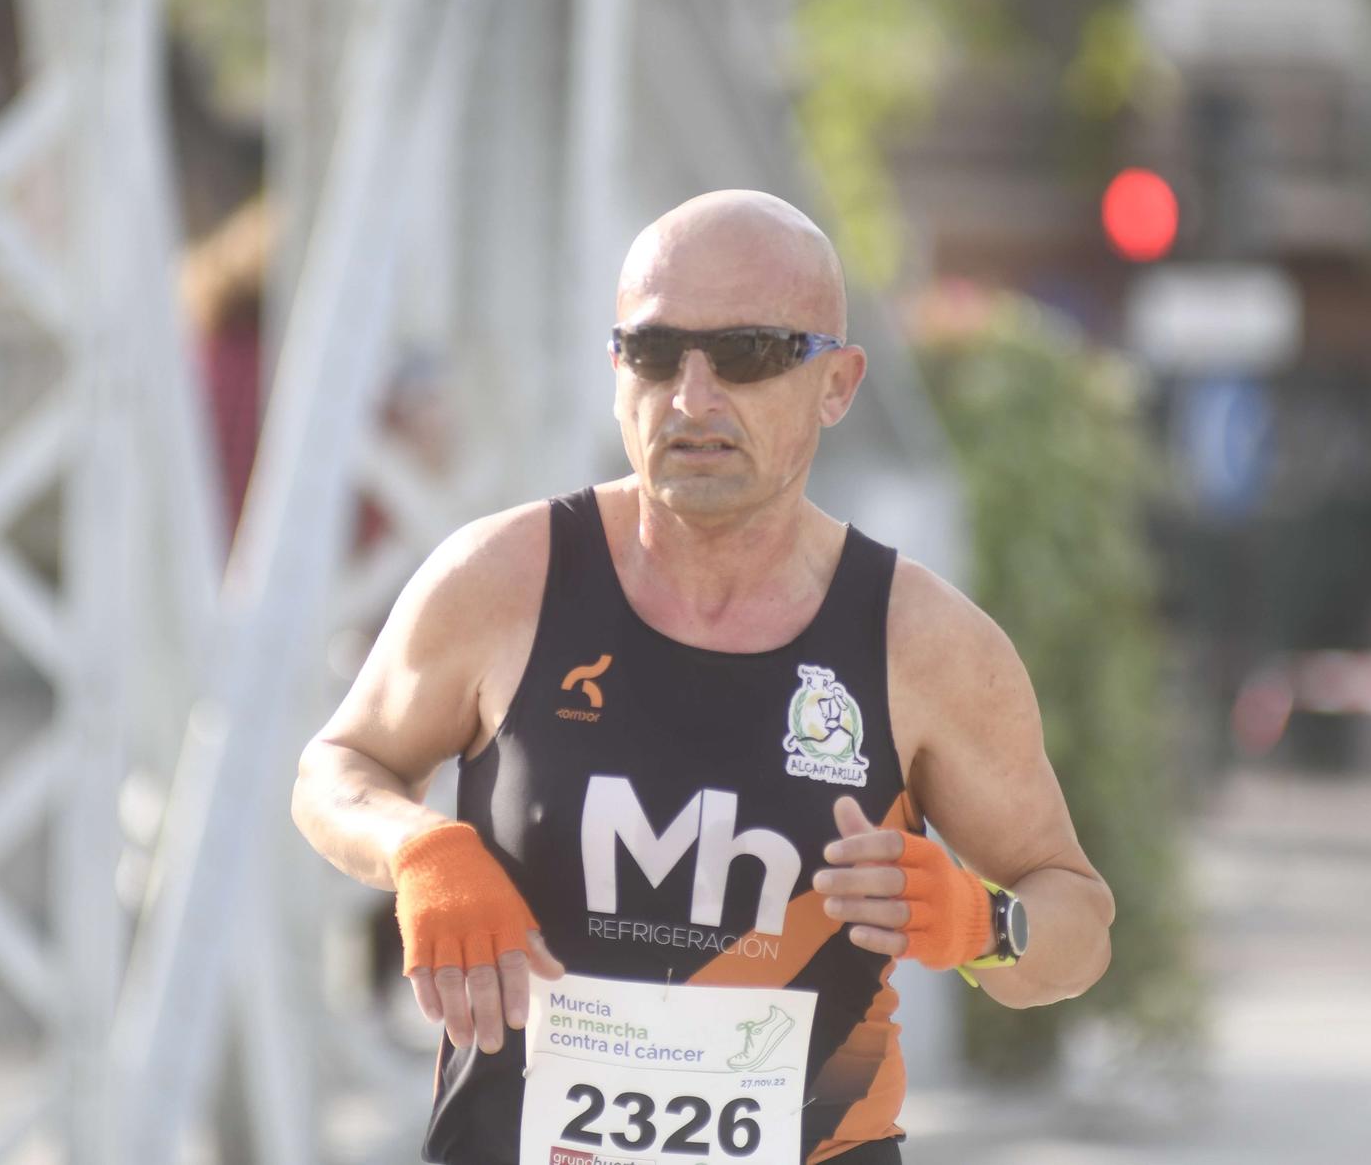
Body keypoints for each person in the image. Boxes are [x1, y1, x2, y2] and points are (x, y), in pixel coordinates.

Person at [291, 190, 1115, 1164]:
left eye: (748, 354)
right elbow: (336, 768)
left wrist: (983, 921)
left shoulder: (923, 643)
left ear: (837, 383)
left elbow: (1077, 922)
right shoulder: (502, 580)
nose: (690, 398)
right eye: (652, 353)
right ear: (613, 371)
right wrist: (420, 849)